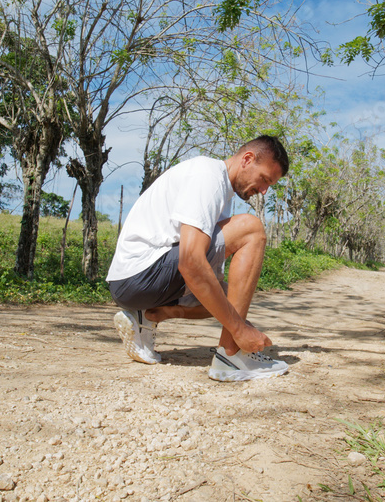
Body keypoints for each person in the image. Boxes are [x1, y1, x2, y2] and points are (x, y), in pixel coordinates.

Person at [106, 135, 290, 382]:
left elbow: (204, 275)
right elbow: (191, 262)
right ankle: (231, 356)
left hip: (135, 283)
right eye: (265, 179)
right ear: (247, 159)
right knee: (251, 228)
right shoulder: (208, 177)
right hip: (140, 274)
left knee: (229, 298)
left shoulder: (220, 192)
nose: (264, 190)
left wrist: (236, 317)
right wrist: (239, 329)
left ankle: (149, 316)